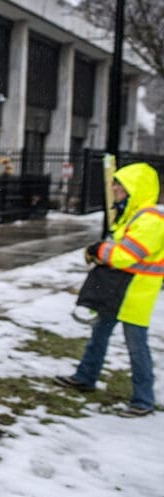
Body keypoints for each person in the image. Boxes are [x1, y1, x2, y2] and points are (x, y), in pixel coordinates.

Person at [55, 162, 164, 418]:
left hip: (134, 293)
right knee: (99, 335)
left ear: (134, 188)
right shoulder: (133, 215)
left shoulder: (150, 219)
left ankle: (143, 399)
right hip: (119, 290)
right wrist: (102, 250)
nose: (114, 188)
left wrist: (99, 250)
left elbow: (127, 254)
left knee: (136, 346)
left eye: (119, 184)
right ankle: (85, 377)